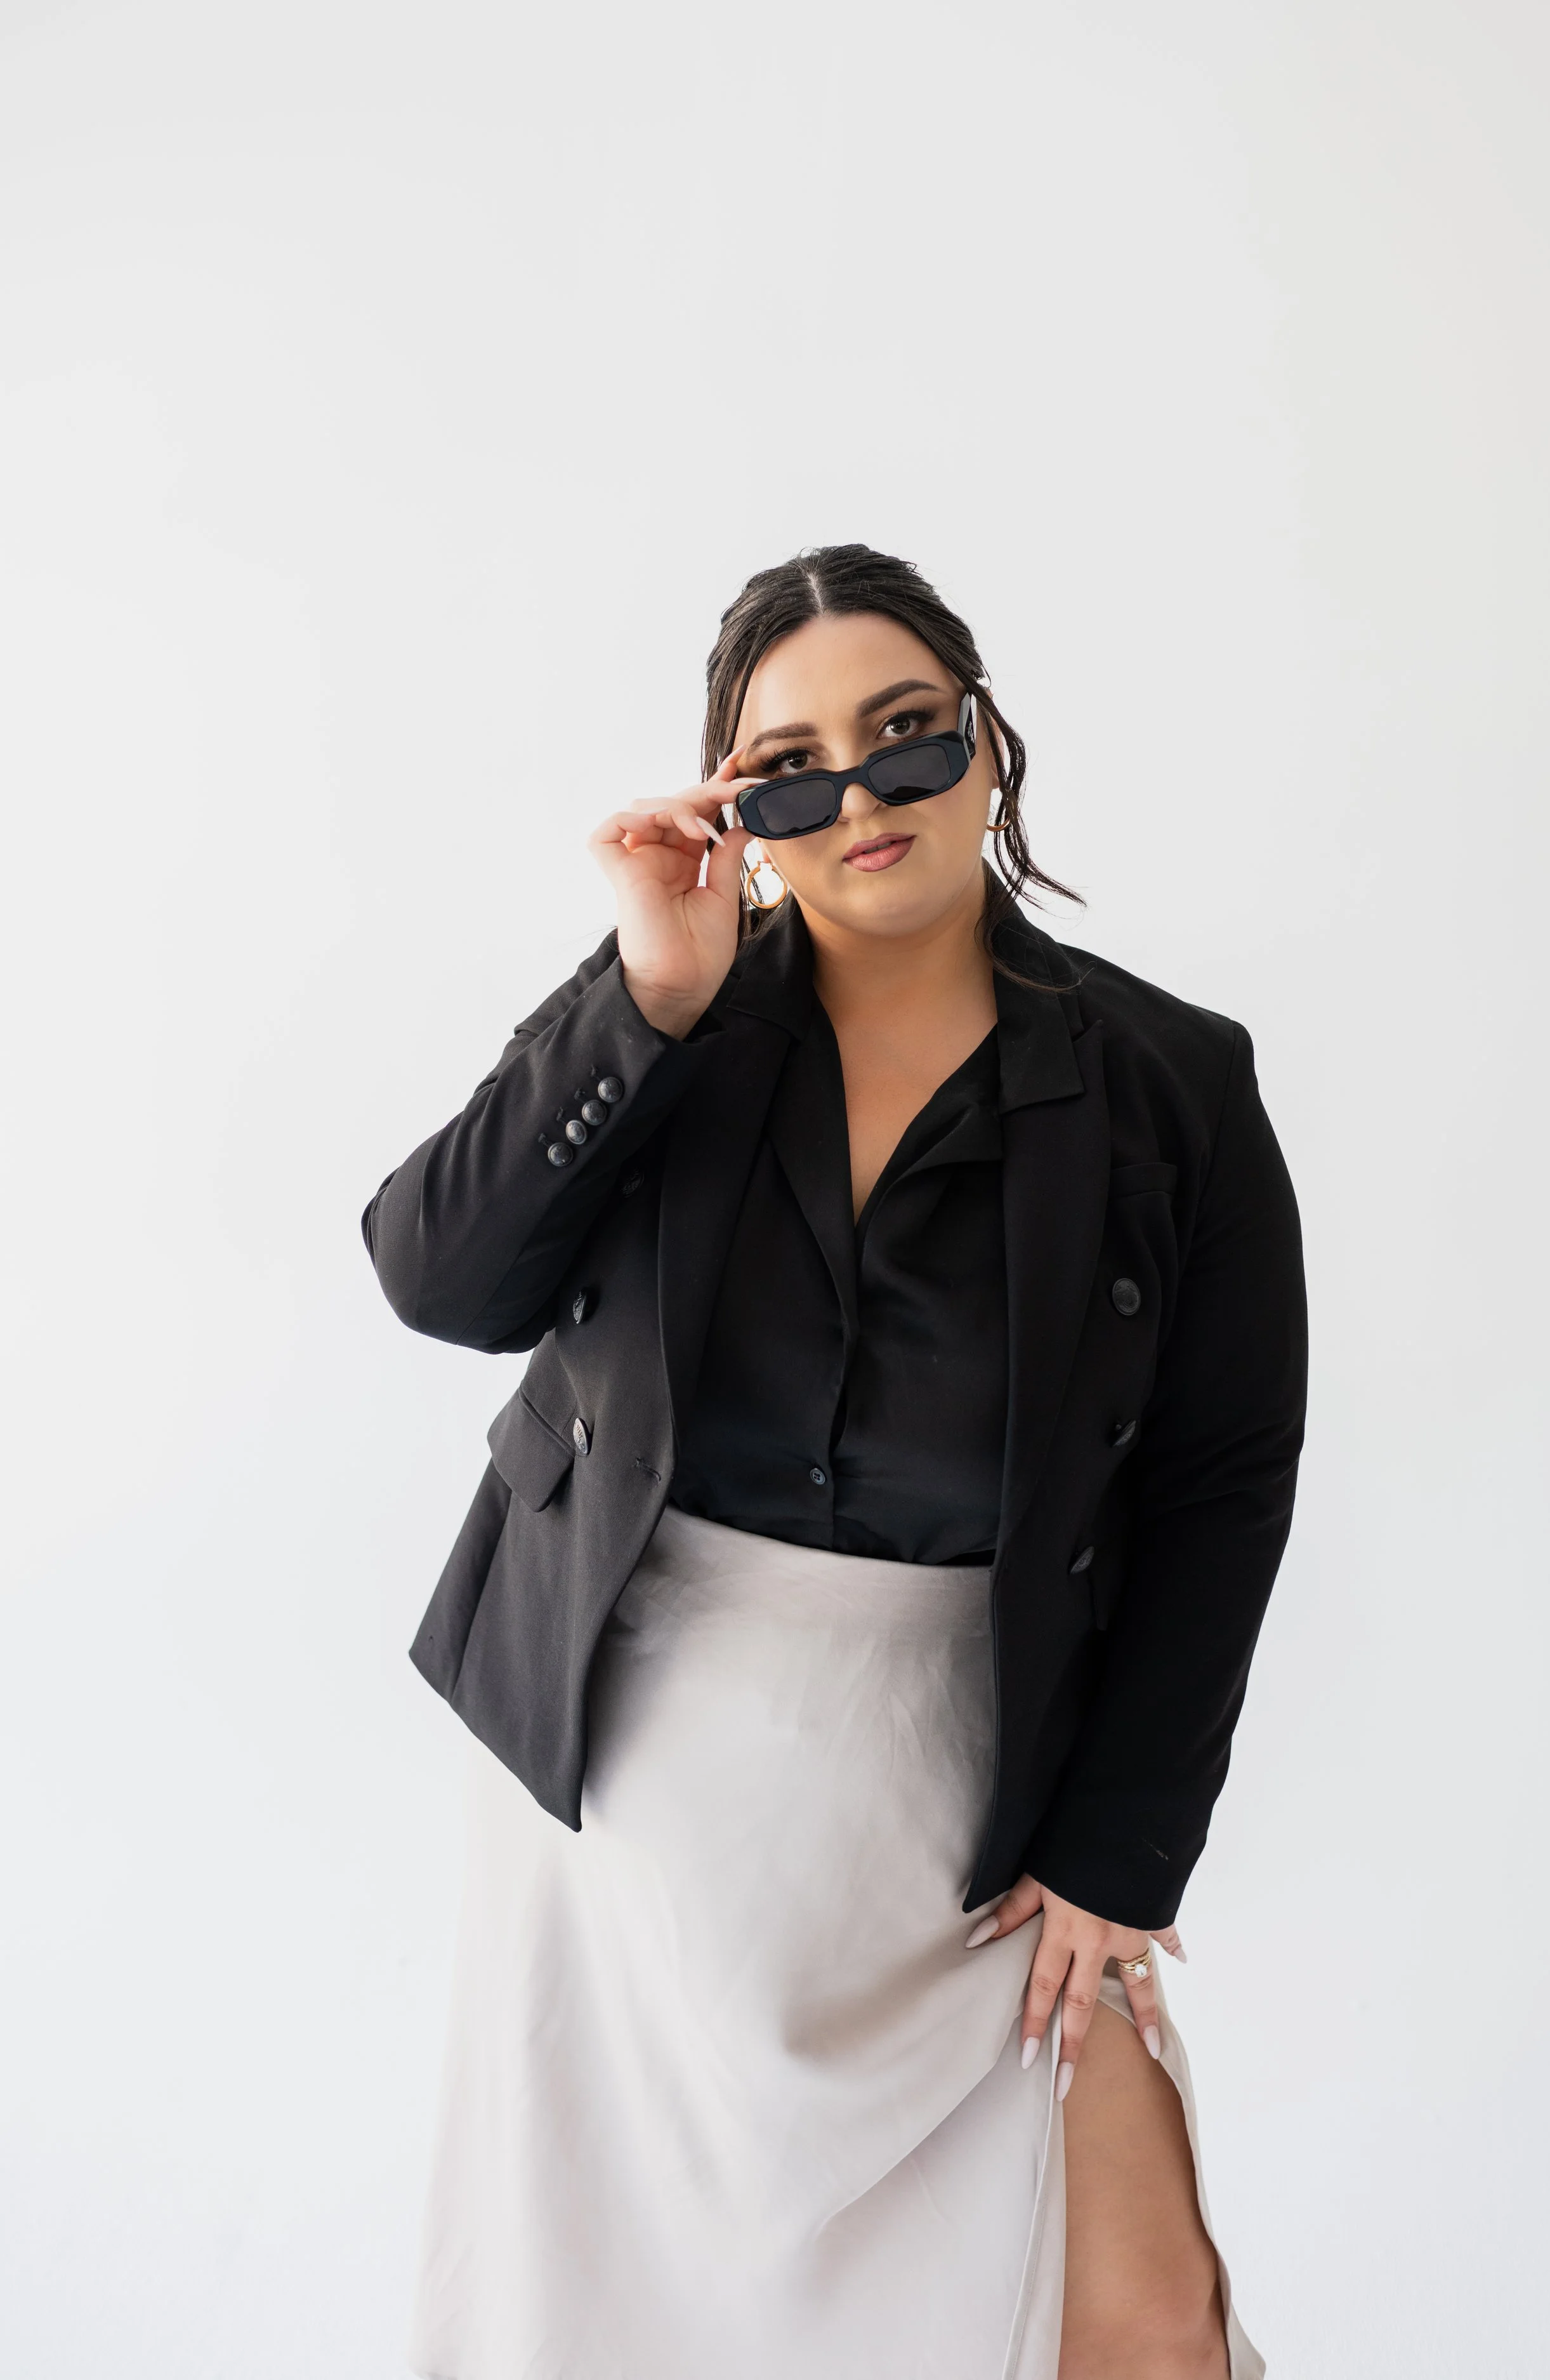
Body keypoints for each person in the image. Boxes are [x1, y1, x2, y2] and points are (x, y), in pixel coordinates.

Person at [363, 543, 1307, 2380]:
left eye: (902, 738)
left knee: (1137, 2318)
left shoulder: (1168, 1081)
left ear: (985, 744)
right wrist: (645, 985)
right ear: (738, 810)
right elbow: (437, 1274)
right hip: (633, 1805)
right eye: (786, 767)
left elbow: (1219, 1478)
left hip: (973, 1772)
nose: (856, 797)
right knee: (638, 2322)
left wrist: (1122, 1848)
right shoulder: (671, 1013)